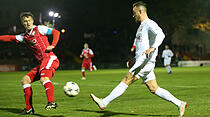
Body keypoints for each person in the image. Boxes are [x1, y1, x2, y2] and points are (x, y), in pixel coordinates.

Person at [90, 1, 187, 117]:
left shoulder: (149, 23)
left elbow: (161, 34)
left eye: (134, 12)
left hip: (145, 61)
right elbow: (141, 47)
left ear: (140, 11)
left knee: (127, 79)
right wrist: (134, 60)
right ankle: (180, 103)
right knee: (154, 88)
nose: (133, 15)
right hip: (143, 61)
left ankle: (104, 102)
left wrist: (152, 48)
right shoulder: (141, 26)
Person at [0, 12, 60, 115]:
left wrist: (53, 45)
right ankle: (29, 109)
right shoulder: (24, 37)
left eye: (29, 21)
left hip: (49, 58)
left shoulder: (40, 29)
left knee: (44, 79)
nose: (28, 23)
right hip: (42, 63)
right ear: (22, 23)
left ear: (32, 21)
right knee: (25, 80)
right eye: (25, 21)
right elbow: (10, 38)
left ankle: (51, 102)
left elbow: (56, 32)